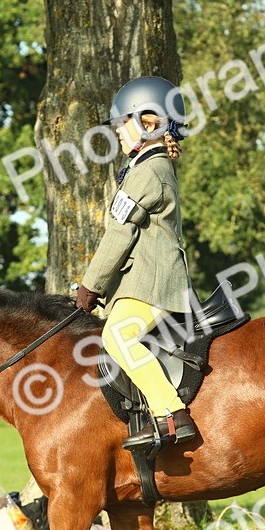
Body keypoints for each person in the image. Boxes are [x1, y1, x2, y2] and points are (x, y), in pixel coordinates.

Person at [74, 76, 198, 450]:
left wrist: (90, 285)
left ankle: (172, 414)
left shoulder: (148, 171)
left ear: (150, 122)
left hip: (153, 285)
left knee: (118, 336)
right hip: (140, 283)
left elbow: (119, 234)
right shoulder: (149, 168)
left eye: (121, 124)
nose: (118, 134)